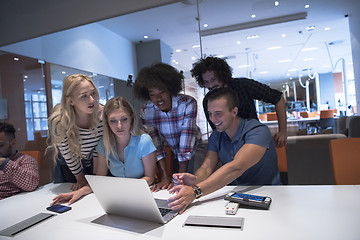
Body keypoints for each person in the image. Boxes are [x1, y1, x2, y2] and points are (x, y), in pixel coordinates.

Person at [167, 88, 281, 214]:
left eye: (218, 113)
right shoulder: (216, 136)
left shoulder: (258, 131)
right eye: (210, 114)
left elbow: (236, 167)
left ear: (234, 111)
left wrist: (195, 191)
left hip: (268, 195)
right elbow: (206, 168)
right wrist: (195, 179)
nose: (213, 119)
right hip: (234, 195)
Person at [51, 97, 157, 205]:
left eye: (124, 119)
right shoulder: (104, 144)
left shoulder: (144, 141)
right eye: (113, 121)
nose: (119, 126)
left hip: (143, 195)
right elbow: (99, 179)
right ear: (107, 122)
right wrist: (79, 192)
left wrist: (125, 189)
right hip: (117, 197)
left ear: (131, 119)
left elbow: (150, 178)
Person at [191, 56, 287, 147]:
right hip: (230, 146)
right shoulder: (208, 101)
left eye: (213, 79)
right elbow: (218, 130)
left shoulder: (242, 85)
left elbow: (277, 97)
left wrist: (282, 131)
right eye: (206, 82)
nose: (211, 85)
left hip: (254, 139)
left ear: (222, 75)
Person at [134, 63, 200, 191]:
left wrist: (179, 180)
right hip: (176, 154)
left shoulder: (188, 103)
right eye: (152, 94)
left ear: (170, 89)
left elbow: (186, 144)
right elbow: (156, 145)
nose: (158, 99)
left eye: (162, 92)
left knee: (193, 186)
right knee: (170, 188)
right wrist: (165, 176)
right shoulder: (147, 111)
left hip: (196, 149)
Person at [47, 74, 103, 191]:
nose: (92, 100)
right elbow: (68, 155)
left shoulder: (102, 116)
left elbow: (100, 148)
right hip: (70, 165)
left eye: (93, 93)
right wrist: (81, 180)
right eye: (84, 96)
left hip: (95, 162)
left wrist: (94, 179)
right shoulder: (60, 122)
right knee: (70, 194)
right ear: (71, 101)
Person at [0, 122, 39, 199]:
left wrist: (4, 163)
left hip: (12, 203)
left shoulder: (25, 160)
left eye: (0, 145)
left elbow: (32, 184)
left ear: (13, 142)